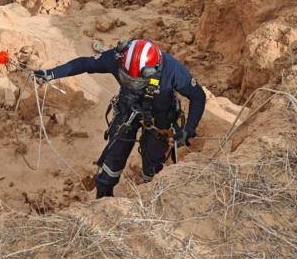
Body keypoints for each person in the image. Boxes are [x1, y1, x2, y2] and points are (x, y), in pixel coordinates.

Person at [35, 38, 205, 199]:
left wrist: (188, 130)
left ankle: (151, 195)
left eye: (138, 82)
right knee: (114, 156)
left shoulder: (172, 69)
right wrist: (51, 73)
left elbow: (198, 95)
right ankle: (104, 197)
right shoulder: (117, 58)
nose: (132, 84)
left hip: (160, 116)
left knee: (153, 160)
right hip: (127, 110)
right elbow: (85, 63)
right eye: (127, 79)